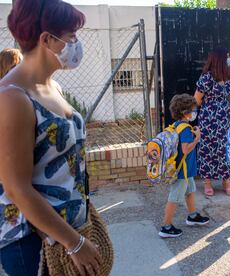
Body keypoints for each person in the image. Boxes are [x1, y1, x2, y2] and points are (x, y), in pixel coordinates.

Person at [0, 1, 102, 275]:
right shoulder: (12, 97)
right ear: (47, 39)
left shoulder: (53, 86)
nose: (77, 44)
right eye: (71, 37)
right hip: (35, 244)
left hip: (68, 230)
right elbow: (16, 188)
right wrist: (75, 244)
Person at [159, 94, 210, 238]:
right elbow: (186, 149)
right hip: (182, 171)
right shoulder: (186, 129)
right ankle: (166, 226)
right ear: (185, 112)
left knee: (190, 191)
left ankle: (193, 216)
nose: (195, 112)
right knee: (174, 197)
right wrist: (197, 138)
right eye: (193, 109)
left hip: (183, 169)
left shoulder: (176, 126)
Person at [194, 48, 230, 197]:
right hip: (209, 120)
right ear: (221, 59)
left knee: (224, 148)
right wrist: (211, 109)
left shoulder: (227, 76)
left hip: (224, 120)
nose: (229, 59)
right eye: (227, 56)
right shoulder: (206, 78)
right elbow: (196, 99)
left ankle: (226, 181)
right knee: (207, 149)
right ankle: (207, 183)